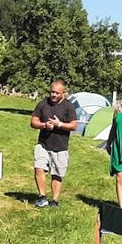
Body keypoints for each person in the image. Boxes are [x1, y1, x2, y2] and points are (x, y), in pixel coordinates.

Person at [30, 78, 78, 208]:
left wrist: (59, 124)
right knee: (38, 168)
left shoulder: (68, 106)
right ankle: (42, 196)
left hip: (60, 146)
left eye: (57, 93)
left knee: (57, 174)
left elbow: (74, 125)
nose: (54, 95)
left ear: (63, 93)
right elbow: (33, 121)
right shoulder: (43, 104)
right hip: (43, 144)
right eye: (52, 92)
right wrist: (44, 125)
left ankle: (55, 200)